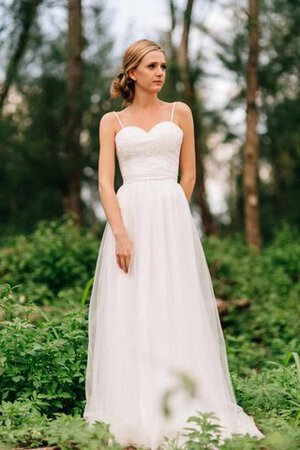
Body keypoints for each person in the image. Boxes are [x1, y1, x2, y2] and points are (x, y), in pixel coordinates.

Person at [83, 38, 265, 450]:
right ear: (132, 73)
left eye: (163, 65)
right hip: (128, 216)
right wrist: (122, 233)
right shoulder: (112, 122)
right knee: (132, 305)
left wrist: (173, 218)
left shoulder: (179, 112)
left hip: (171, 218)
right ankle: (134, 404)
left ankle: (188, 402)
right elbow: (104, 183)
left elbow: (190, 176)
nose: (160, 72)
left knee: (173, 304)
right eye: (151, 66)